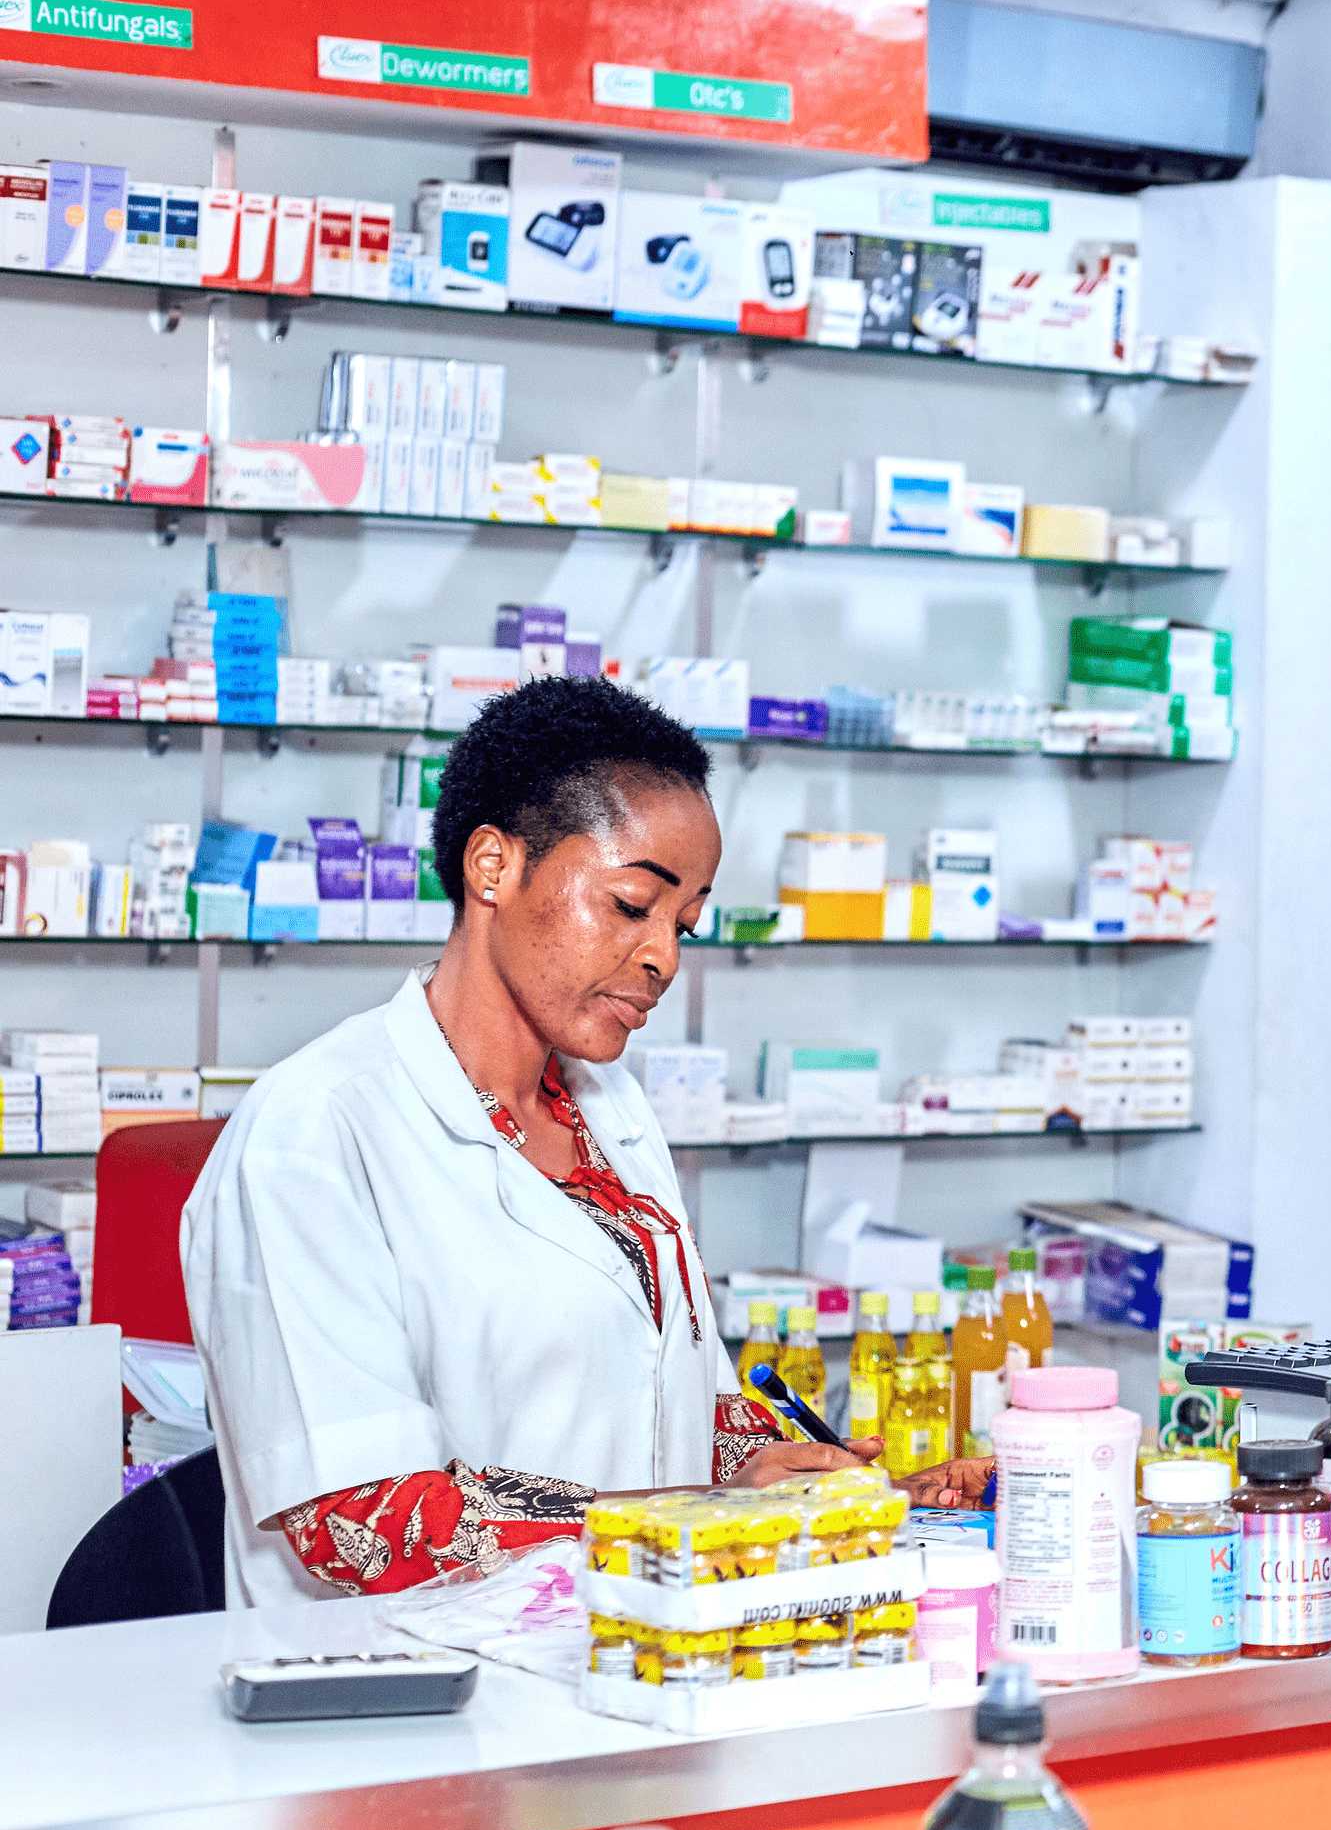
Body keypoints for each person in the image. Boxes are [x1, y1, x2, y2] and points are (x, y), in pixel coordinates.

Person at [183, 676, 990, 1603]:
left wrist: (824, 1486)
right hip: (412, 1700)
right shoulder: (313, 1133)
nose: (664, 959)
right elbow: (357, 1523)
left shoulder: (610, 1109)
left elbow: (683, 1399)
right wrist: (702, 1511)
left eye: (683, 924)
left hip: (634, 1656)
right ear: (493, 867)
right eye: (630, 905)